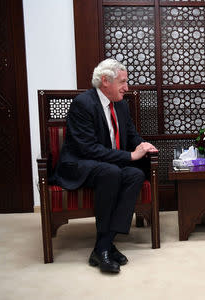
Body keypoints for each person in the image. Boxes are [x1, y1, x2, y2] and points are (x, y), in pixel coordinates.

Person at [52, 58, 158, 273]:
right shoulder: (83, 103)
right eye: (122, 82)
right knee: (111, 172)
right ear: (105, 81)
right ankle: (105, 248)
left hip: (107, 163)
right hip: (80, 163)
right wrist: (129, 156)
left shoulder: (121, 105)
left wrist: (142, 145)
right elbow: (87, 149)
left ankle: (103, 246)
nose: (127, 87)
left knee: (135, 175)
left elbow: (130, 134)